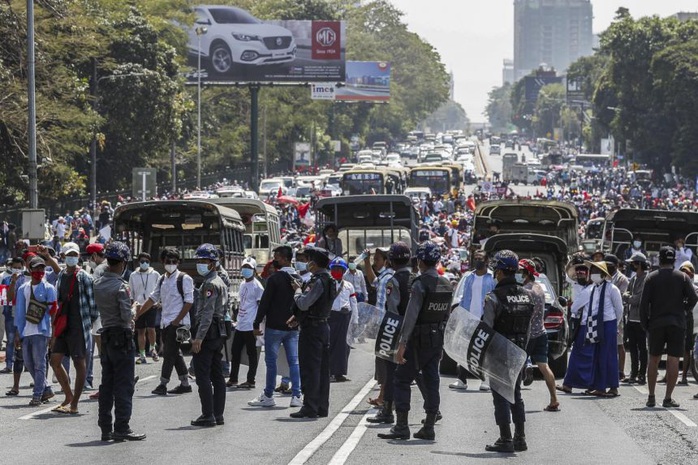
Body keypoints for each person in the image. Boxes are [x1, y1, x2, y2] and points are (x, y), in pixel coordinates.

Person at [378, 241, 452, 441]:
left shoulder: (419, 284)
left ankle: (401, 426)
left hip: (416, 342)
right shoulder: (446, 283)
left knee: (401, 379)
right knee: (432, 382)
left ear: (420, 261)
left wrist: (401, 345)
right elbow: (446, 316)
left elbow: (410, 317)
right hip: (435, 341)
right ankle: (429, 427)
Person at [478, 250, 534, 453]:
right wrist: (523, 353)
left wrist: (481, 357)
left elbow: (486, 329)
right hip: (519, 350)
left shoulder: (493, 297)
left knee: (500, 396)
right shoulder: (527, 296)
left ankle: (505, 439)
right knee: (516, 394)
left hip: (499, 352)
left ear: (499, 272)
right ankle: (520, 438)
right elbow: (528, 330)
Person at [94, 242, 145, 441]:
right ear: (123, 263)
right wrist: (134, 309)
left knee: (107, 383)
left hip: (106, 335)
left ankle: (105, 427)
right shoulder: (121, 287)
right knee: (124, 384)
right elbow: (126, 317)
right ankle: (122, 426)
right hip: (121, 337)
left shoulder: (98, 284)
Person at [640, 246, 698, 408]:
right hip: (677, 324)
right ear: (674, 260)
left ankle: (651, 396)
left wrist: (646, 324)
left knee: (654, 359)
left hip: (656, 324)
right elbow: (693, 299)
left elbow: (644, 304)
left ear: (659, 259)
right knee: (673, 360)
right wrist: (683, 309)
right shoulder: (683, 278)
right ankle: (667, 398)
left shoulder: (651, 278)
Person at [561, 260, 623, 397]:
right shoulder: (593, 288)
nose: (593, 274)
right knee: (597, 356)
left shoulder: (612, 289)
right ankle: (598, 386)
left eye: (596, 272)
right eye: (592, 271)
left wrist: (614, 325)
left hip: (608, 323)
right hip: (594, 324)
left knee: (609, 356)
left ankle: (613, 387)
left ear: (603, 274)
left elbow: (619, 309)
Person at [250, 245, 302, 408]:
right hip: (292, 327)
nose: (275, 260)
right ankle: (296, 395)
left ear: (285, 258)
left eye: (277, 257)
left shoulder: (274, 279)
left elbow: (265, 303)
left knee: (271, 362)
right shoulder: (298, 278)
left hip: (274, 327)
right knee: (293, 361)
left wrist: (256, 323)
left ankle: (268, 395)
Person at [288, 247, 337, 419]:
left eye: (309, 260)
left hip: (312, 329)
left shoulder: (317, 281)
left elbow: (304, 303)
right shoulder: (330, 280)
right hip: (323, 326)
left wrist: (298, 290)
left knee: (310, 369)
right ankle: (321, 406)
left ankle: (310, 407)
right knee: (322, 369)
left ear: (314, 264)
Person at [137, 248, 194, 396]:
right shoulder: (162, 279)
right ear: (162, 262)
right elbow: (152, 298)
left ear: (178, 262)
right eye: (168, 261)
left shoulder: (184, 278)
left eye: (174, 262)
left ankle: (163, 384)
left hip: (180, 324)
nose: (171, 264)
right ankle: (185, 383)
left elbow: (189, 302)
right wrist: (138, 314)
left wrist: (177, 320)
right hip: (166, 322)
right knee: (175, 353)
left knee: (169, 353)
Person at [51, 241, 98, 414]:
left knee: (79, 363)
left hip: (78, 324)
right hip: (63, 324)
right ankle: (68, 395)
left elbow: (93, 304)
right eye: (68, 255)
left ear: (78, 256)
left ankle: (75, 404)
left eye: (74, 255)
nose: (71, 258)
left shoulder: (84, 276)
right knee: (55, 360)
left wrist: (88, 323)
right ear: (63, 256)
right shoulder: (62, 275)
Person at [190, 244, 229, 427]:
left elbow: (207, 313)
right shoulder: (219, 281)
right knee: (216, 374)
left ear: (213, 264)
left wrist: (199, 337)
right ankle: (218, 414)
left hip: (209, 331)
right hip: (218, 331)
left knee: (203, 374)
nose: (200, 264)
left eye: (204, 261)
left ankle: (208, 414)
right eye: (199, 261)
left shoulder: (211, 284)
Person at [517, 258, 559, 412]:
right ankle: (554, 399)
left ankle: (514, 401)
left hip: (527, 335)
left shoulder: (525, 291)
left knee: (515, 367)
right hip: (541, 333)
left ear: (526, 273)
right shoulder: (540, 288)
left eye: (520, 271)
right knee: (544, 366)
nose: (518, 274)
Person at [451, 250, 496, 391]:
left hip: (485, 319)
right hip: (469, 319)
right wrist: (461, 316)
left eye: (480, 258)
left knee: (485, 351)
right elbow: (464, 298)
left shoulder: (492, 277)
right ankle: (462, 379)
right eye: (475, 258)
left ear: (487, 261)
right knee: (465, 350)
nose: (478, 260)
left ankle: (485, 380)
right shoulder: (469, 277)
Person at [14, 256, 56, 406]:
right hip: (26, 331)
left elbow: (53, 312)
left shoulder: (49, 288)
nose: (39, 271)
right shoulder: (22, 289)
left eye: (42, 268)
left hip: (41, 331)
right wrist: (18, 332)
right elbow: (19, 312)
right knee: (29, 363)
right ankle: (46, 389)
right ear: (30, 269)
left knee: (40, 364)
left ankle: (37, 395)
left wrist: (53, 334)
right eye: (36, 268)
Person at [362, 247, 399, 407]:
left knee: (385, 361)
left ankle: (384, 397)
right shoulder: (383, 277)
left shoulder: (389, 277)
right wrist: (366, 261)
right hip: (382, 325)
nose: (375, 262)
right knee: (382, 360)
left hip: (386, 325)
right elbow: (372, 281)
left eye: (377, 259)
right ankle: (383, 395)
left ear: (386, 261)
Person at [229, 257, 263, 389]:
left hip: (250, 325)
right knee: (235, 351)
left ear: (254, 270)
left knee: (251, 353)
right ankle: (233, 379)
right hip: (241, 324)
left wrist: (258, 324)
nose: (246, 270)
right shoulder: (242, 284)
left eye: (249, 268)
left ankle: (251, 380)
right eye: (244, 267)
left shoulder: (257, 286)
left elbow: (260, 306)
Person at [328, 257, 357, 383]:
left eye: (340, 269)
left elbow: (353, 302)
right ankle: (329, 372)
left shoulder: (349, 286)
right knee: (330, 345)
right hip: (331, 317)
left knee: (344, 346)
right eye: (334, 269)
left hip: (345, 317)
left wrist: (355, 320)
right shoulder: (328, 283)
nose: (337, 271)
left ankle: (339, 373)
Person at [622, 252, 649, 385]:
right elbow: (627, 294)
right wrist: (628, 297)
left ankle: (642, 374)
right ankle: (633, 373)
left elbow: (637, 299)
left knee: (643, 348)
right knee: (632, 347)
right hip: (631, 318)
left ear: (639, 264)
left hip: (641, 319)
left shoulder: (646, 279)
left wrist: (628, 297)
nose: (631, 265)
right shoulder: (633, 279)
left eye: (633, 263)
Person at [129, 253, 161, 365]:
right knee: (140, 331)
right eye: (142, 261)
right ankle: (142, 355)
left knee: (151, 329)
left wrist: (159, 302)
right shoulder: (133, 275)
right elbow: (131, 292)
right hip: (138, 306)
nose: (144, 263)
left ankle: (153, 349)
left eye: (147, 261)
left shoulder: (155, 274)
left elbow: (160, 288)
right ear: (138, 262)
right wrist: (132, 305)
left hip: (151, 305)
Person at [606, 254, 629, 381]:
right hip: (606, 314)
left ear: (615, 266)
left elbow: (620, 297)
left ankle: (620, 371)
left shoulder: (622, 279)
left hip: (617, 314)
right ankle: (611, 369)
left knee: (619, 344)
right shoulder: (605, 276)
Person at [677, 261, 696, 386]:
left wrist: (685, 309)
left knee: (687, 349)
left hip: (688, 320)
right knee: (673, 348)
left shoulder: (694, 289)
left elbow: (693, 301)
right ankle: (668, 376)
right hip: (677, 319)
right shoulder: (676, 286)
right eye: (683, 272)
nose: (685, 275)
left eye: (687, 273)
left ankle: (684, 376)